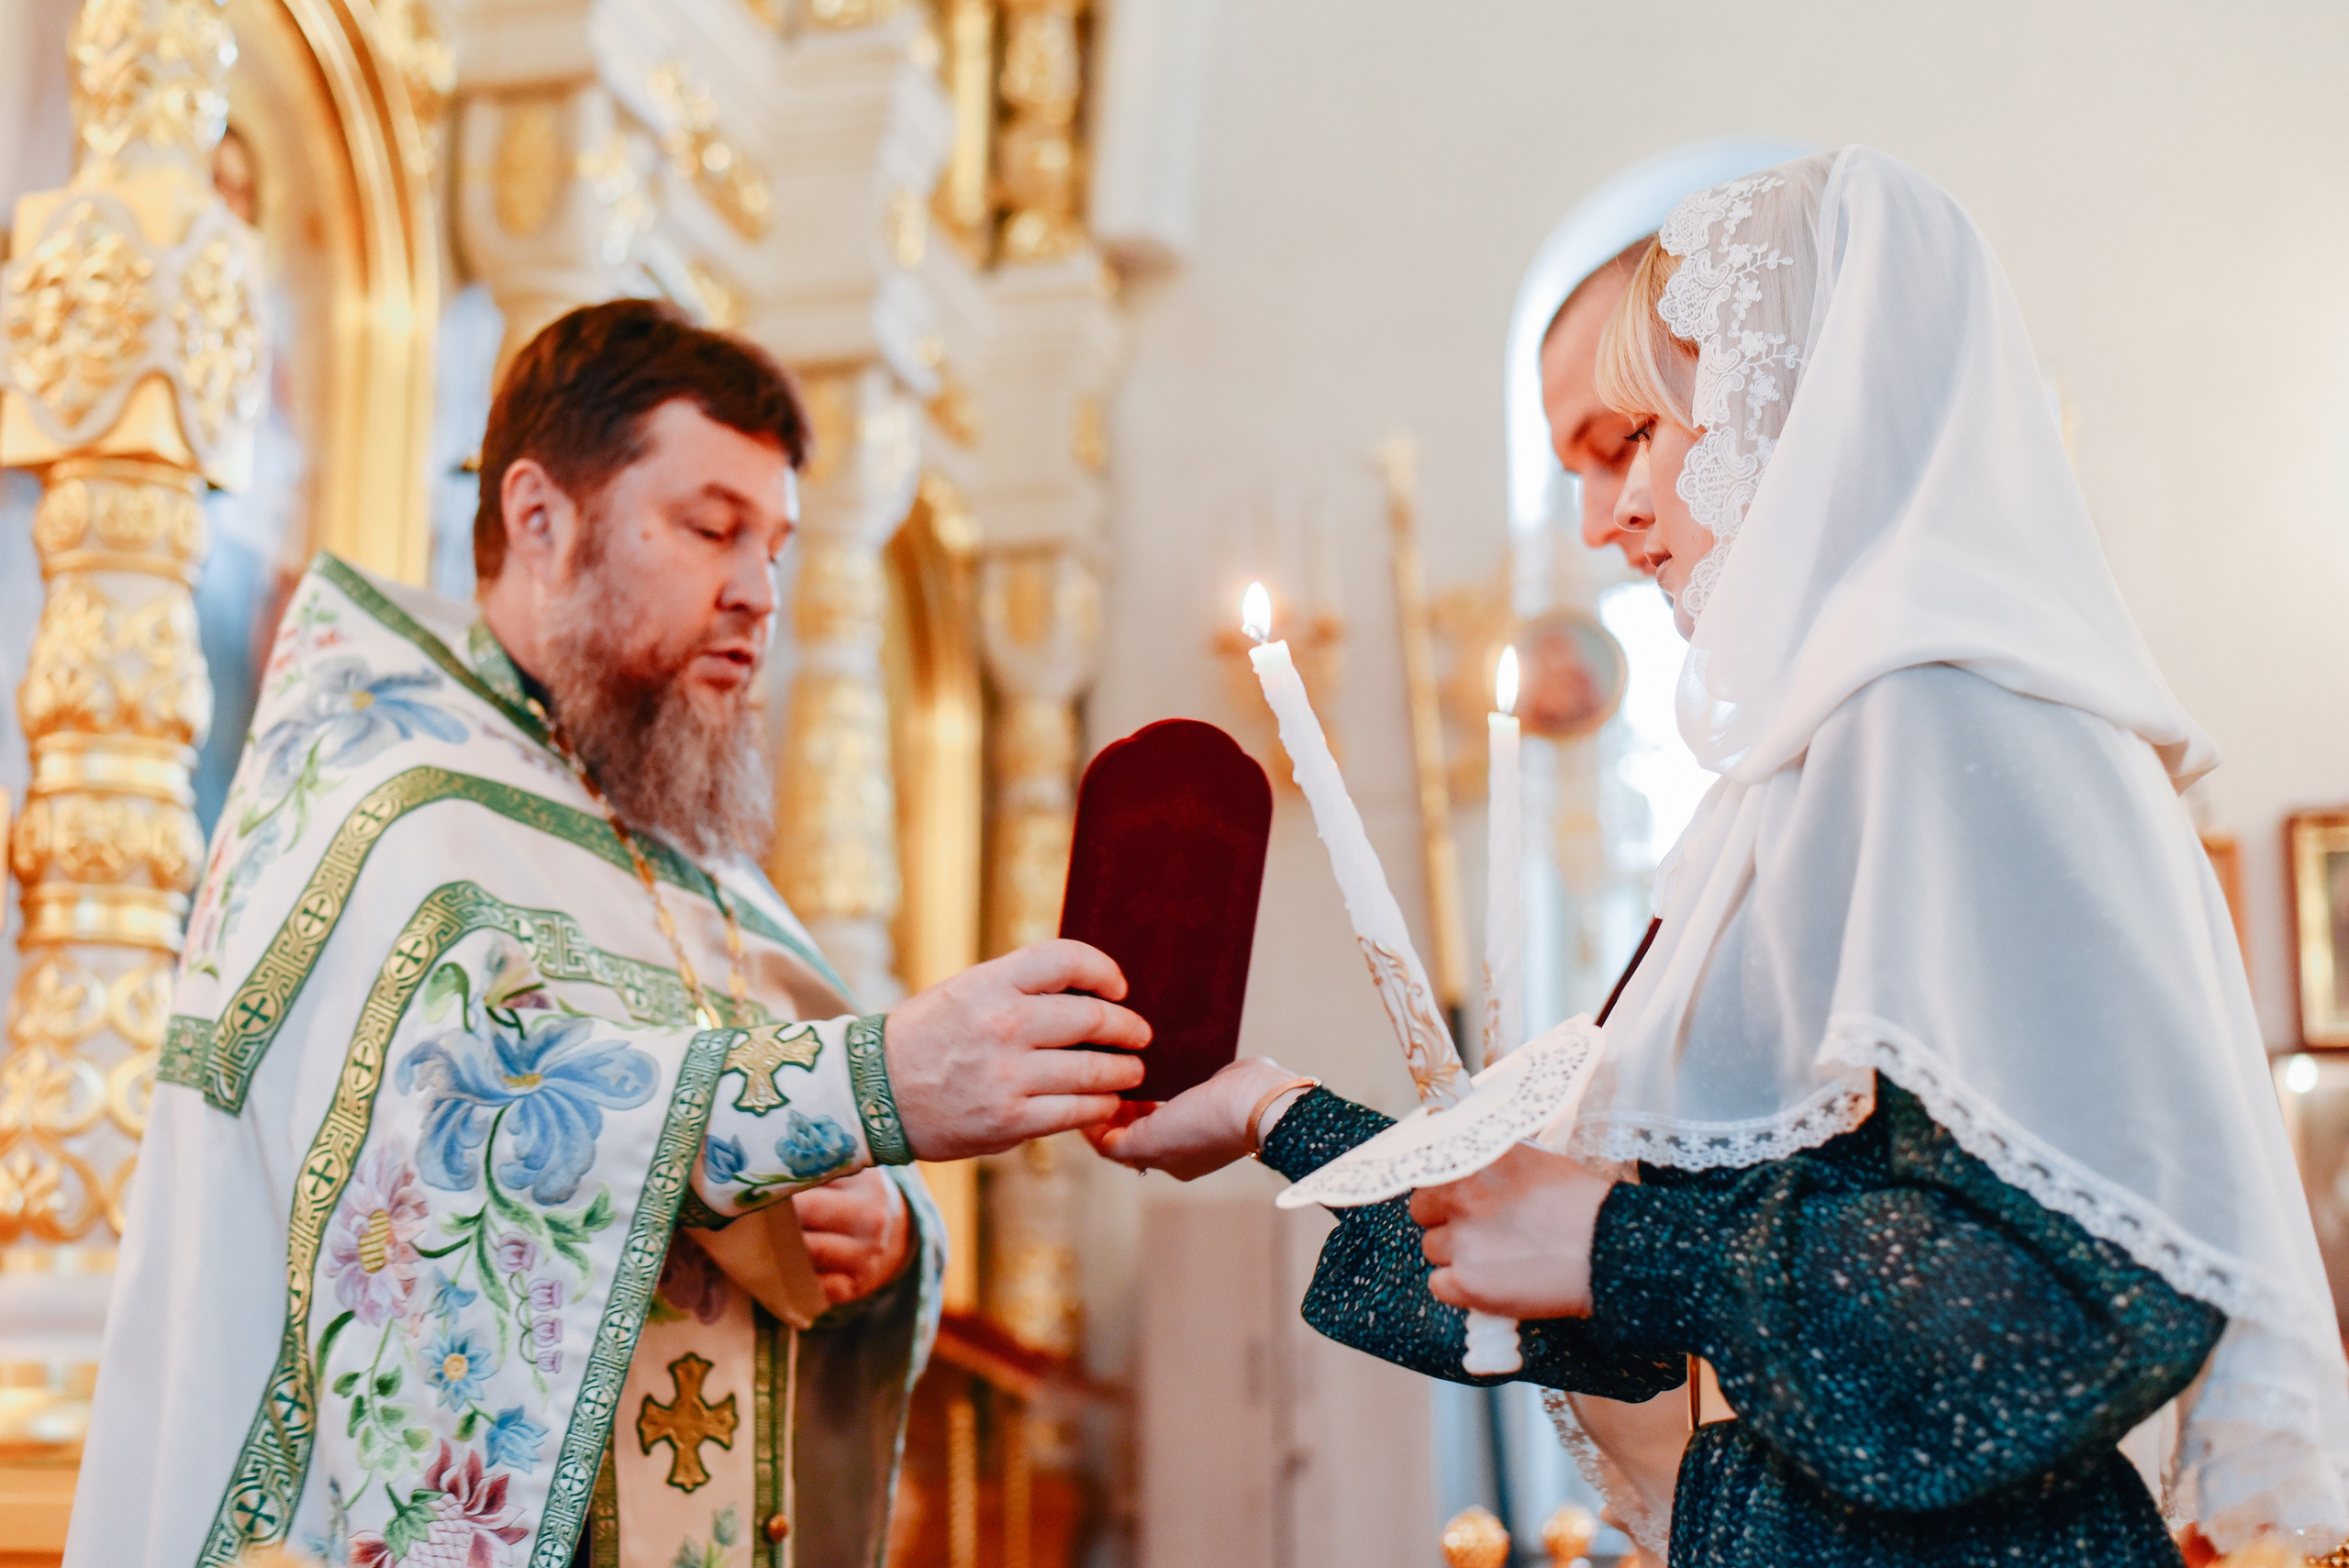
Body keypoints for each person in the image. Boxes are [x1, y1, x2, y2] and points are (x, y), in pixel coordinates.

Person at [1094, 149, 2349, 1565]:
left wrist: (1623, 1251)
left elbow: (2089, 1293)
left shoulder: (1953, 720)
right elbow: (1582, 1244)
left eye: (1627, 440)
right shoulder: (1802, 777)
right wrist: (1275, 1110)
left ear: (1799, 411)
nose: (1599, 519)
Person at [67, 300, 1152, 1568]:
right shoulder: (383, 801)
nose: (758, 593)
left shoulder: (680, 851)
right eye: (710, 529)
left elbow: (799, 1136)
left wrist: (884, 1219)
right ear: (540, 517)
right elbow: (460, 1137)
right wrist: (869, 1080)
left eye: (778, 547)